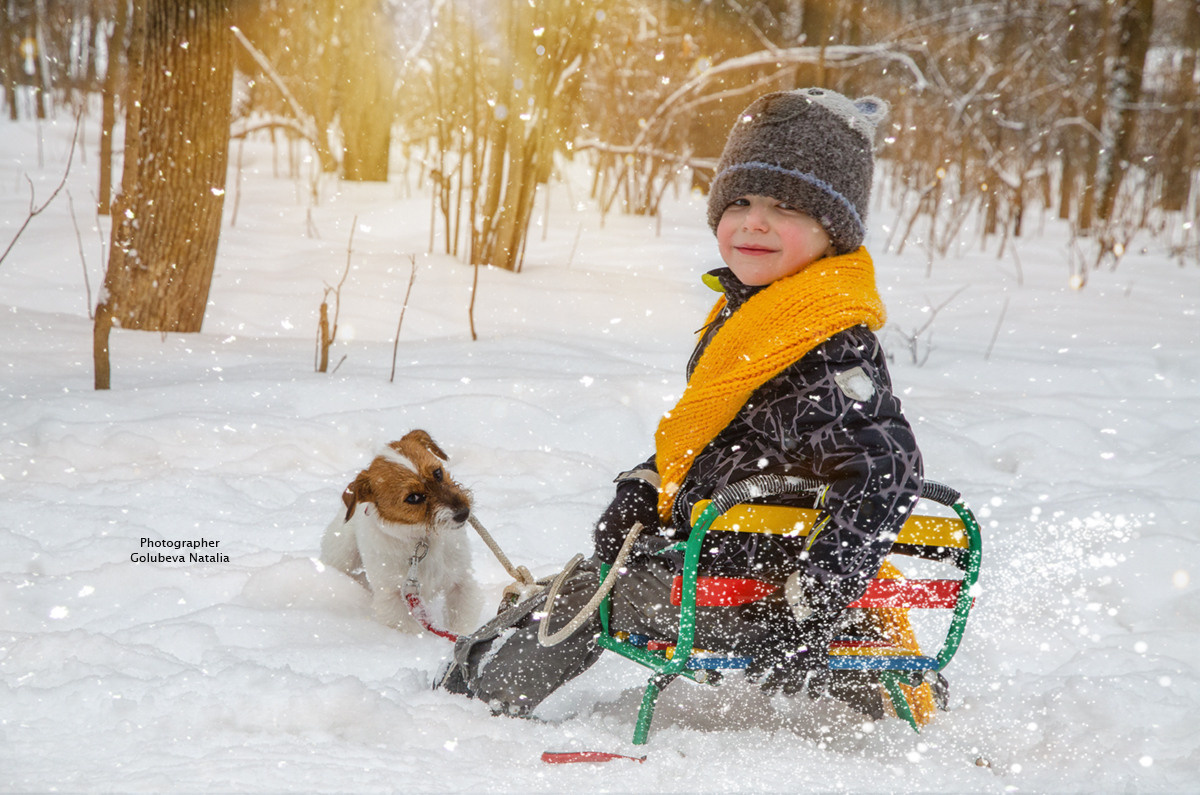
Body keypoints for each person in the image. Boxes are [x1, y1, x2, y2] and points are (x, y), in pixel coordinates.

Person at [436, 87, 923, 718]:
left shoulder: (819, 341)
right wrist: (653, 482)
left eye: (786, 207)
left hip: (750, 601)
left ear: (834, 232)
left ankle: (468, 707)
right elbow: (742, 441)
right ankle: (854, 693)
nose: (753, 221)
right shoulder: (770, 323)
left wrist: (822, 590)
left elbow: (890, 465)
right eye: (740, 201)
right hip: (745, 579)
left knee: (591, 592)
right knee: (605, 575)